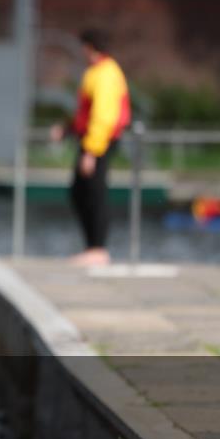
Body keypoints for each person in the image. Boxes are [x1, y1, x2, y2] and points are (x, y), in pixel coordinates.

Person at [51, 29, 130, 267]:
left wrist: (91, 151)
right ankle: (92, 247)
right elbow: (86, 113)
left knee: (94, 193)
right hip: (92, 141)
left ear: (90, 47)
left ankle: (98, 249)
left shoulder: (106, 74)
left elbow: (103, 116)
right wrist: (68, 129)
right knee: (80, 191)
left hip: (99, 142)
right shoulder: (96, 72)